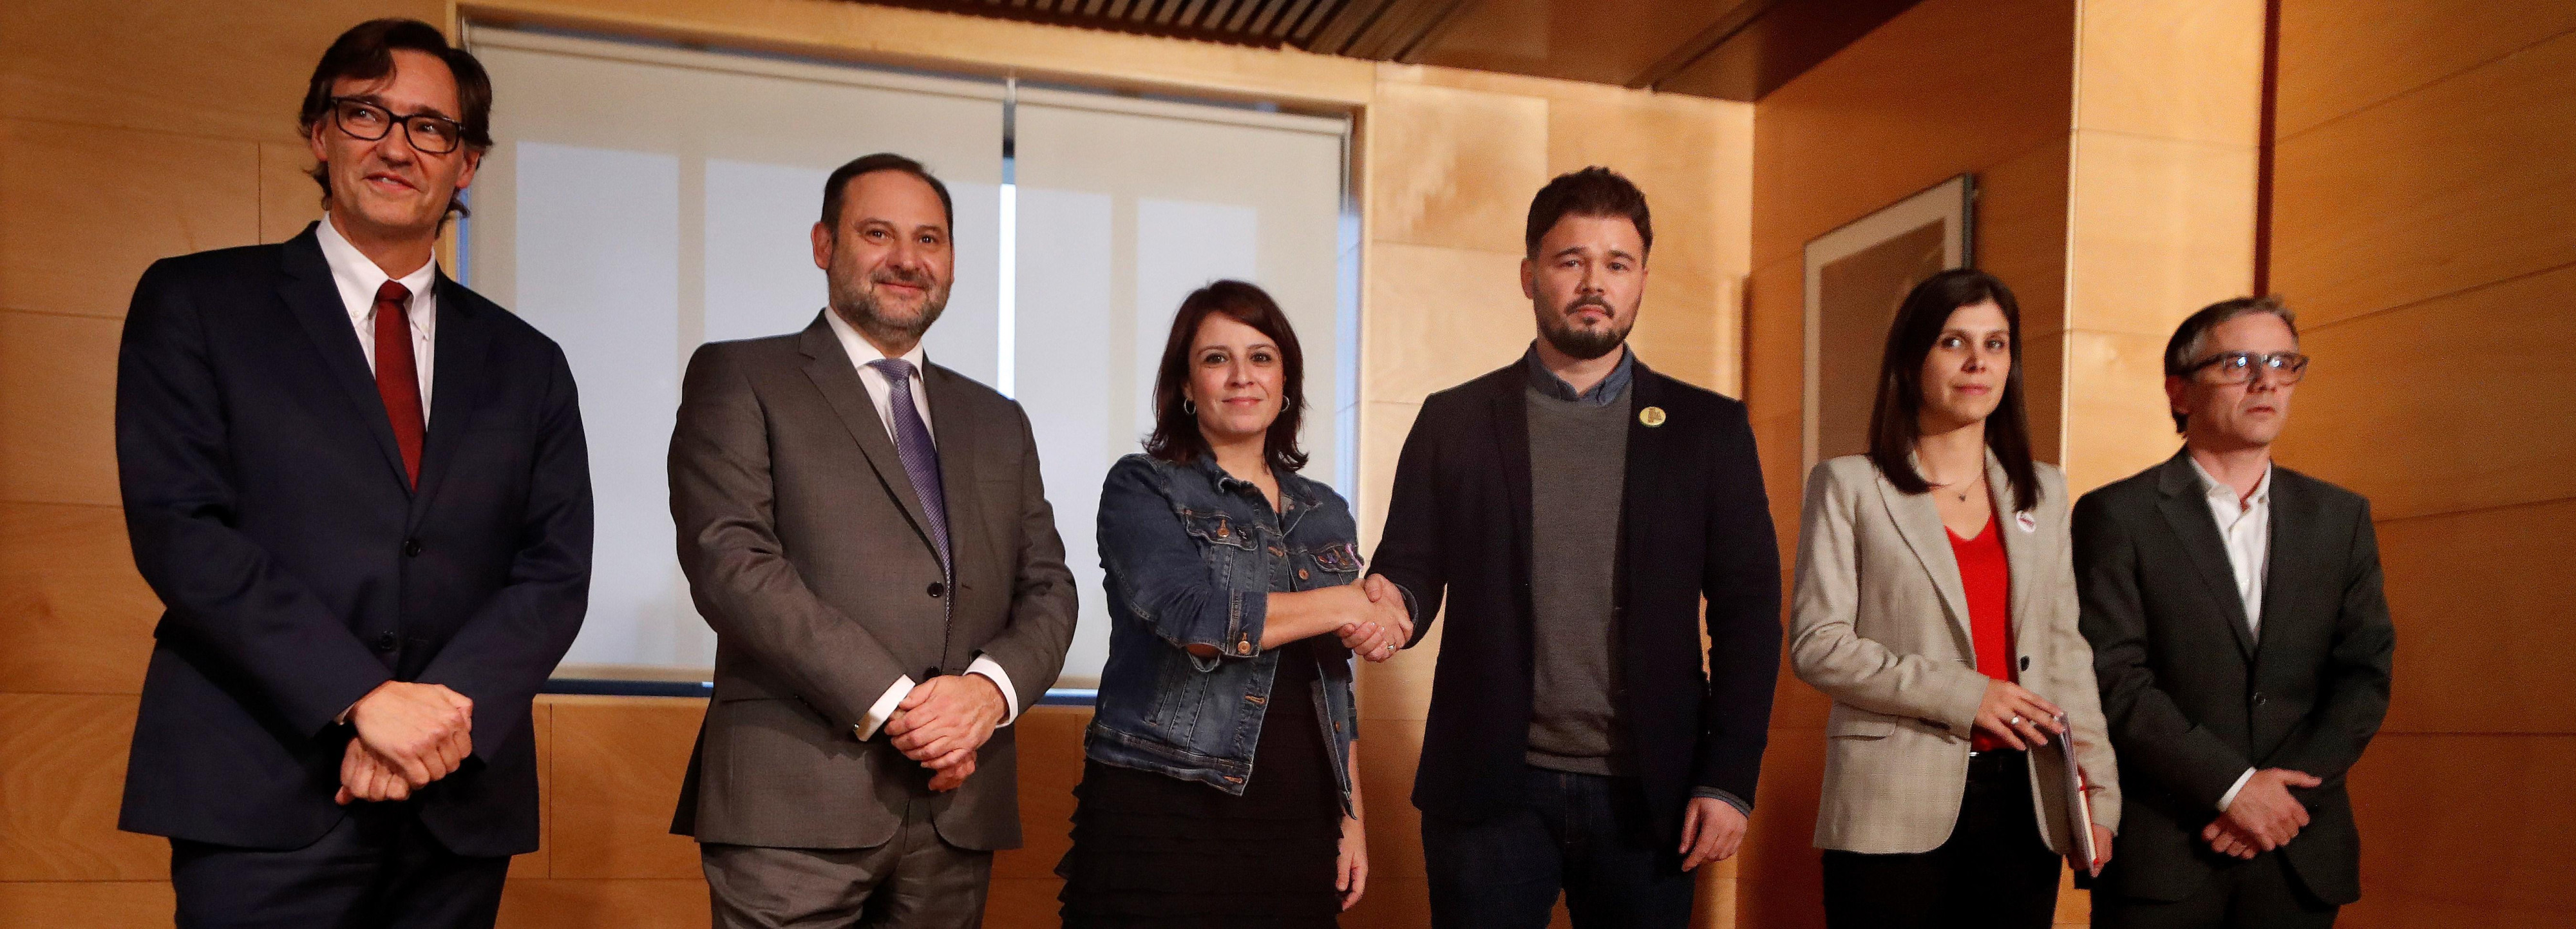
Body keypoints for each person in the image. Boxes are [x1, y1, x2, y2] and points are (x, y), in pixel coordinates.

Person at [112, 19, 592, 927]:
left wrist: (435, 725)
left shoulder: (530, 362)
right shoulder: (197, 303)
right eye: (366, 113)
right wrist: (360, 696)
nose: (397, 145)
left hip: (457, 799)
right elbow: (181, 528)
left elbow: (554, 570)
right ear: (319, 133)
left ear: (468, 163)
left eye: (430, 128)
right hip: (260, 784)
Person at [667, 153, 1079, 928]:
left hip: (958, 801)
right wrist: (902, 708)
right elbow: (732, 562)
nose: (906, 259)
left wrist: (986, 695)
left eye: (929, 238)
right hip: (795, 801)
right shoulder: (741, 375)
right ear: (824, 244)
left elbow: (1049, 590)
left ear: (952, 261)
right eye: (877, 232)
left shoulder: (998, 420)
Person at [1365, 167, 1781, 928]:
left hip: (1651, 796)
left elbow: (1750, 616)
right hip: (1488, 791)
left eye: (1617, 264)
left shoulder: (1708, 431)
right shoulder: (1453, 420)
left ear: (1642, 280)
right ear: (1529, 276)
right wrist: (1391, 606)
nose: (1595, 282)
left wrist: (1728, 778)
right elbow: (1410, 566)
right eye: (1570, 261)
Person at [1057, 280, 1410, 928]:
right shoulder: (1143, 485)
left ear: (1286, 381)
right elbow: (1196, 621)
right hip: (1163, 807)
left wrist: (1350, 814)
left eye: (1262, 357)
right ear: (1186, 386)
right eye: (1216, 358)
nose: (1241, 376)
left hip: (1298, 812)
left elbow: (1332, 679)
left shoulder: (1323, 507)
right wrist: (1348, 599)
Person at [1786, 269, 2120, 928]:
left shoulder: (2044, 492)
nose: (1978, 362)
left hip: (2025, 800)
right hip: (1889, 804)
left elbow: (2065, 655)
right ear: (1911, 361)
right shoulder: (1849, 485)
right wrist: (1968, 694)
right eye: (1953, 342)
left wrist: (2096, 795)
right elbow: (1817, 643)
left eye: (1996, 344)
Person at [2076, 296, 2395, 928]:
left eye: (2282, 362)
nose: (2266, 380)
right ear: (2178, 391)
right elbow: (2110, 673)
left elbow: (2362, 675)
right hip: (2167, 849)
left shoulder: (2340, 517)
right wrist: (2231, 786)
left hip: (2296, 844)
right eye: (2237, 362)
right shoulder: (2117, 514)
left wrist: (2277, 797)